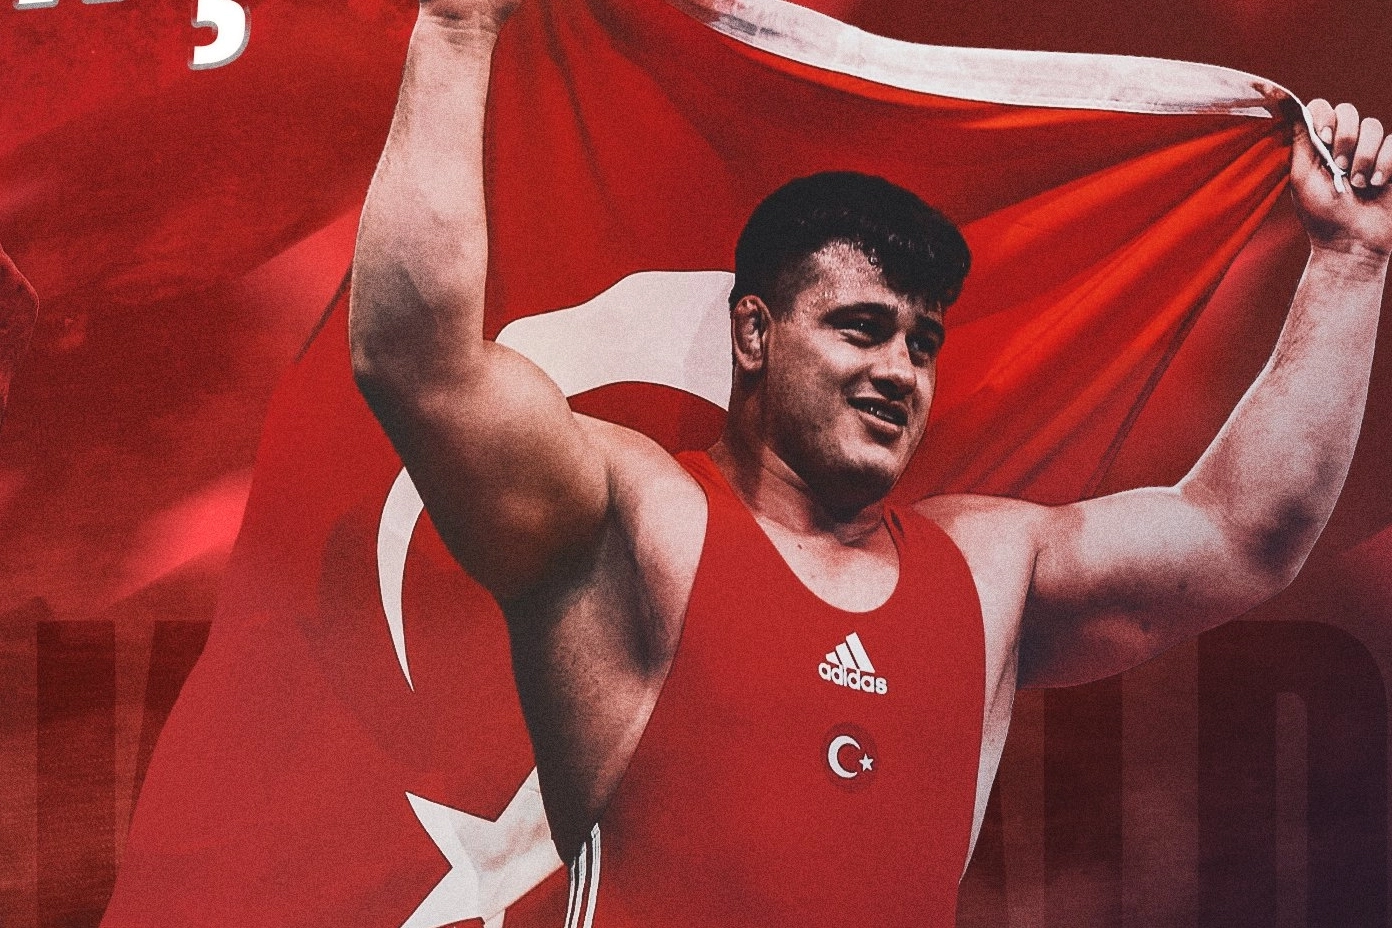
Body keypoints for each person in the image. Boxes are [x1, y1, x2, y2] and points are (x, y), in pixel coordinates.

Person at [348, 0, 1392, 923]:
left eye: (922, 343)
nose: (899, 370)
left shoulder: (990, 568)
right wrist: (458, 26)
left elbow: (1241, 532)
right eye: (860, 328)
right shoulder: (639, 515)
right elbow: (416, 363)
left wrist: (1352, 258)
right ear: (753, 335)